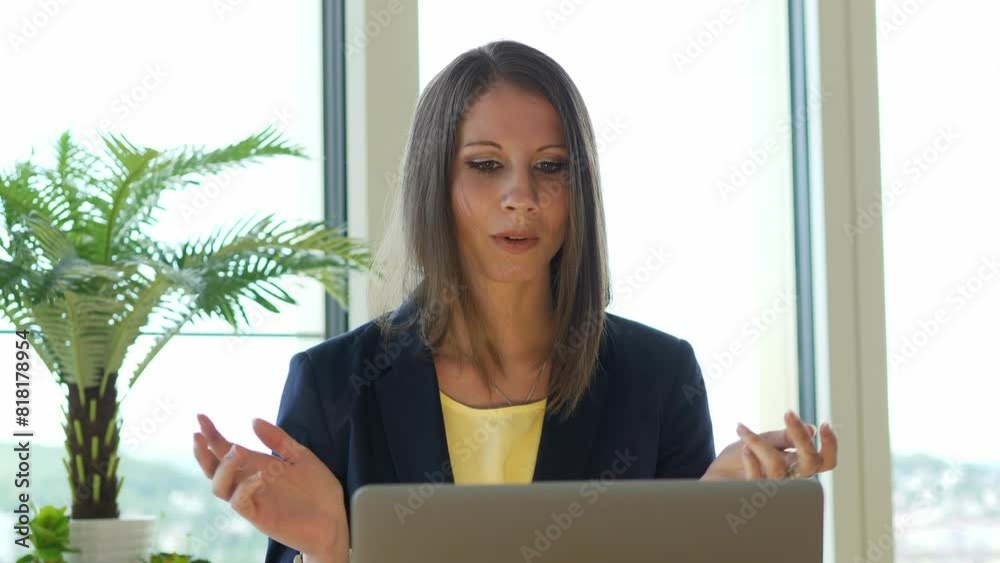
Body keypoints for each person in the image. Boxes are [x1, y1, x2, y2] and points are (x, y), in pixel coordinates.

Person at [191, 40, 838, 563]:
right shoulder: (334, 383)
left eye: (550, 166)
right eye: (485, 165)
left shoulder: (658, 377)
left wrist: (718, 507)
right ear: (434, 184)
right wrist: (329, 549)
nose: (521, 197)